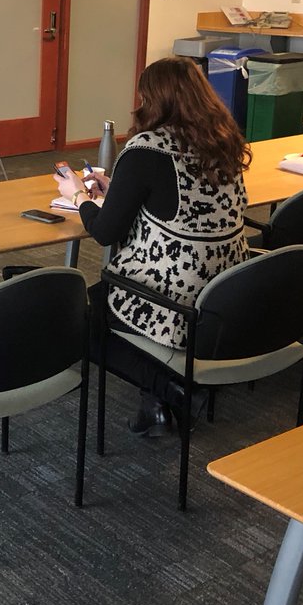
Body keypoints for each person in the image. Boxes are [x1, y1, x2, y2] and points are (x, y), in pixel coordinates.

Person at [54, 57, 250, 435]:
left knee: (76, 318)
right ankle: (156, 402)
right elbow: (185, 204)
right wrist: (118, 189)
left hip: (174, 295)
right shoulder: (224, 141)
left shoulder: (148, 148)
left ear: (153, 100)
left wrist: (78, 196)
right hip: (226, 292)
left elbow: (106, 233)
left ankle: (172, 389)